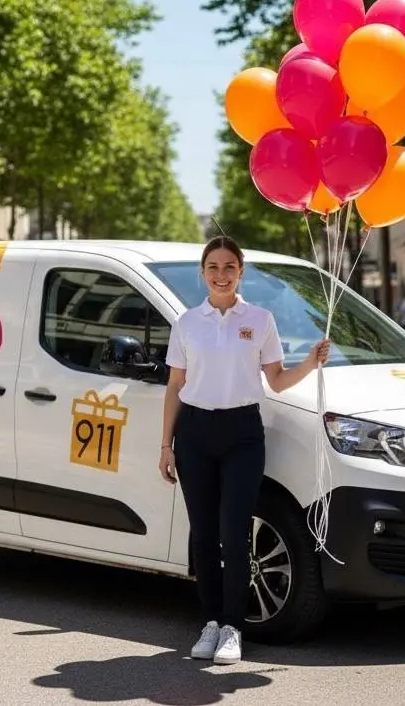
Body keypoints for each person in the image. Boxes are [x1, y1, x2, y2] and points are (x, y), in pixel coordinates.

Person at [159, 236, 330, 665]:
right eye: (213, 267)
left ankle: (234, 627)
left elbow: (275, 381)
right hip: (194, 433)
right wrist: (166, 445)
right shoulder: (187, 323)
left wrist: (309, 363)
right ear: (203, 273)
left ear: (241, 272)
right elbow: (175, 387)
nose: (221, 275)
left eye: (229, 267)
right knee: (203, 535)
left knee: (235, 534)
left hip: (242, 434)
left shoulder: (259, 319)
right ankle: (211, 623)